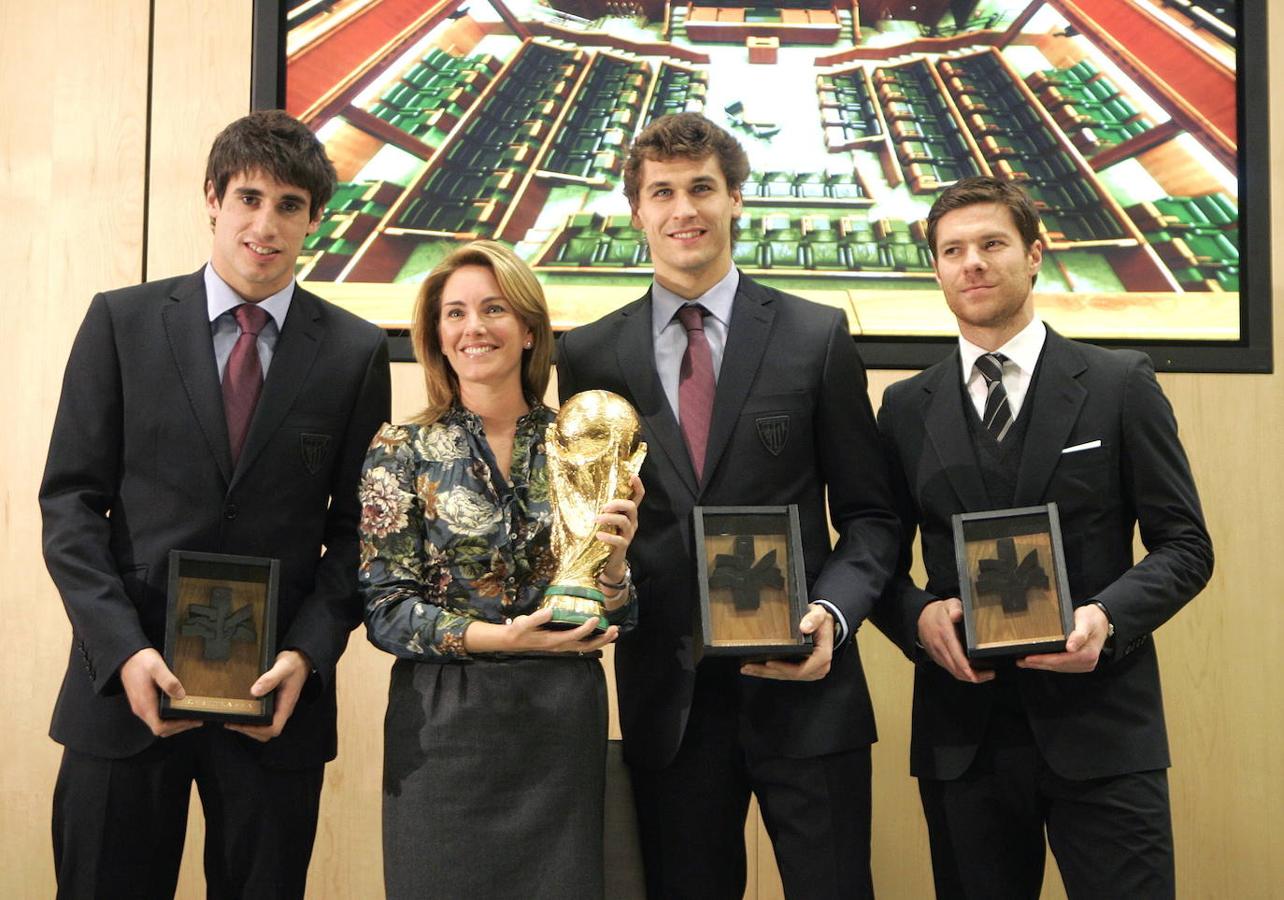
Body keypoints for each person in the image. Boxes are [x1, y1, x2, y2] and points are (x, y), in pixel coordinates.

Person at [39, 110, 391, 898]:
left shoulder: (354, 352)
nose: (265, 225)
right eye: (249, 198)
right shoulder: (121, 323)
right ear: (212, 199)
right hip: (122, 691)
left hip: (275, 703)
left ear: (314, 221)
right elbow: (69, 505)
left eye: (290, 206)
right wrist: (123, 650)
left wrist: (307, 654)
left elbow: (357, 533)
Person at [556, 112, 900, 899]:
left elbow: (872, 518)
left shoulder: (815, 337)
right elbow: (587, 529)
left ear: (737, 199)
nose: (685, 209)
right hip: (669, 705)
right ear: (637, 211)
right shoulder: (588, 355)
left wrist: (835, 617)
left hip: (808, 688)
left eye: (703, 188)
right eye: (663, 192)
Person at [874, 176, 1213, 898]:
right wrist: (916, 617)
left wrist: (1107, 617)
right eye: (953, 250)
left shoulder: (1120, 385)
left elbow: (1186, 544)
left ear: (1034, 254)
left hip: (1103, 730)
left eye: (992, 244)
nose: (973, 263)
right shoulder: (904, 408)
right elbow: (876, 551)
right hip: (964, 738)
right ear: (935, 268)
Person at [358, 240, 643, 900]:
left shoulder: (583, 440)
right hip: (443, 731)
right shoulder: (399, 450)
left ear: (528, 329)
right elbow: (384, 608)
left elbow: (622, 611)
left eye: (493, 309)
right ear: (435, 334)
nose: (474, 327)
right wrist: (499, 639)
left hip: (558, 724)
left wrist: (617, 567)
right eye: (454, 313)